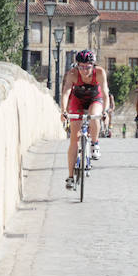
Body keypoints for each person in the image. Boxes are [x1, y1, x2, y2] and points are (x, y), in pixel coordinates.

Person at [59, 49, 110, 189]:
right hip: (78, 101)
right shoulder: (73, 74)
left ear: (93, 66)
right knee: (74, 140)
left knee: (95, 117)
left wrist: (105, 112)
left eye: (87, 67)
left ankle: (95, 143)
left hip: (95, 99)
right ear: (77, 65)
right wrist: (63, 111)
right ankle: (70, 176)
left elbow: (105, 94)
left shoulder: (99, 72)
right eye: (81, 66)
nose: (84, 70)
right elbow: (66, 93)